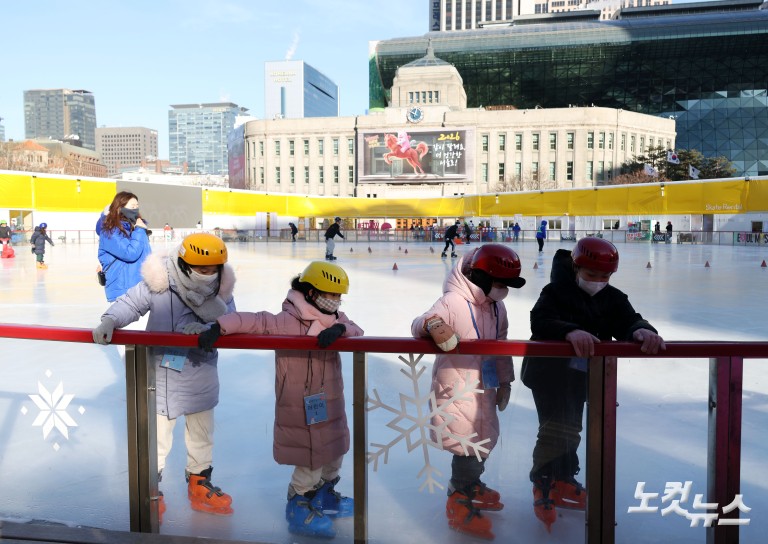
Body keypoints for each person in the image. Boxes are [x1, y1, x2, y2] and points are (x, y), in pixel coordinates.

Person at [196, 261, 363, 538]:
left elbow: (357, 329)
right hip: (300, 405)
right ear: (310, 293)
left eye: (337, 297)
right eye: (329, 295)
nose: (334, 301)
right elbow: (253, 320)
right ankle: (299, 504)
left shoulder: (335, 320)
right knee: (310, 459)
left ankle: (325, 495)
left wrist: (341, 330)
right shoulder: (286, 321)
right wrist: (219, 327)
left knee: (334, 453)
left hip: (331, 404)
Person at [520, 237, 665, 531]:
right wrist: (570, 331)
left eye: (605, 276)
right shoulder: (556, 291)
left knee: (572, 426)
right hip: (548, 375)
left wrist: (641, 331)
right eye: (591, 275)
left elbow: (629, 319)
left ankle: (564, 477)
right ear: (576, 267)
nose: (598, 281)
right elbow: (540, 321)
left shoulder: (613, 297)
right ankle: (545, 481)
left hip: (582, 375)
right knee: (553, 427)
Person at [92, 233, 236, 521]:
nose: (208, 276)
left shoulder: (222, 290)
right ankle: (151, 489)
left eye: (213, 270)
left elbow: (231, 320)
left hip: (200, 373)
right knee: (156, 439)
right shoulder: (160, 283)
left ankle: (199, 484)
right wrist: (109, 319)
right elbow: (130, 304)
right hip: (161, 375)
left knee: (202, 436)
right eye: (202, 269)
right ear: (183, 264)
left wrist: (211, 329)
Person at [412, 244, 526, 539]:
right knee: (466, 447)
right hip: (457, 389)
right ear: (483, 277)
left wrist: (505, 381)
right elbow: (419, 323)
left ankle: (472, 485)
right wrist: (433, 324)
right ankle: (458, 499)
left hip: (485, 388)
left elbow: (501, 347)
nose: (504, 291)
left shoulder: (497, 307)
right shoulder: (453, 300)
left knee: (484, 440)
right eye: (500, 284)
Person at [96, 192, 152, 302]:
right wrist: (140, 230)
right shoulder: (110, 232)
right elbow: (130, 254)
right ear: (120, 208)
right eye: (132, 206)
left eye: (137, 206)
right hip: (124, 291)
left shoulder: (135, 228)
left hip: (142, 288)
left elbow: (147, 256)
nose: (136, 209)